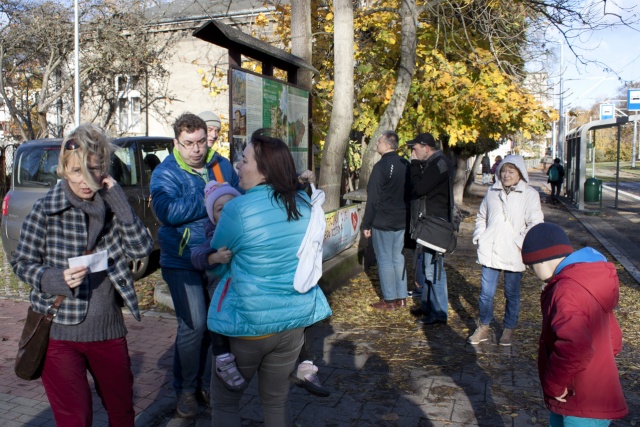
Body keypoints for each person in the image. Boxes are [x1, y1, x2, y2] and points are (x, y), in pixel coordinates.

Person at [10, 124, 154, 426]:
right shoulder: (45, 210)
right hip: (59, 333)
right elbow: (21, 262)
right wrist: (54, 279)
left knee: (122, 413)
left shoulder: (112, 207)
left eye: (93, 170)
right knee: (75, 419)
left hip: (108, 330)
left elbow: (141, 247)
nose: (85, 180)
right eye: (77, 171)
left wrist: (118, 201)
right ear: (64, 168)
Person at [207, 129, 332, 426]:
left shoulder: (237, 209)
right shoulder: (303, 205)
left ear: (263, 169)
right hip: (292, 326)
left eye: (244, 159)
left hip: (249, 326)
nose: (238, 164)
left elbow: (217, 265)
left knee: (225, 402)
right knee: (276, 400)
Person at [150, 112, 240, 418]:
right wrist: (209, 196)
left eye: (201, 141)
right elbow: (166, 212)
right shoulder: (166, 173)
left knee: (217, 326)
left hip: (219, 257)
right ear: (177, 142)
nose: (197, 149)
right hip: (182, 261)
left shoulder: (222, 165)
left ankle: (207, 385)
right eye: (189, 143)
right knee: (194, 325)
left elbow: (239, 198)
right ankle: (186, 390)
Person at [521, 222, 628, 426]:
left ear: (543, 260)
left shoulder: (565, 290)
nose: (532, 271)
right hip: (596, 394)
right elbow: (614, 340)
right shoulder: (587, 283)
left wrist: (554, 384)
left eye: (531, 266)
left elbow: (574, 347)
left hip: (577, 397)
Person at [468, 154, 544, 346]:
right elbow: (481, 216)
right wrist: (480, 236)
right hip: (491, 249)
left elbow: (536, 224)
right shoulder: (492, 192)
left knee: (512, 294)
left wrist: (519, 242)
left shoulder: (530, 195)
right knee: (486, 293)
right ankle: (483, 326)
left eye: (511, 171)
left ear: (520, 173)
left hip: (514, 252)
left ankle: (508, 328)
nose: (506, 175)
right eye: (503, 171)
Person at [362, 130, 411, 310]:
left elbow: (373, 197)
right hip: (401, 219)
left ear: (388, 144)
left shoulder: (381, 167)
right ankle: (402, 296)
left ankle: (389, 299)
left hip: (383, 220)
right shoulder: (406, 164)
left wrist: (366, 223)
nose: (376, 144)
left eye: (379, 141)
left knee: (384, 259)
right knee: (397, 257)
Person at [408, 132, 452, 326]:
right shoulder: (435, 163)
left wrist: (415, 164)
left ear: (426, 147)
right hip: (429, 222)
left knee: (434, 269)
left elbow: (420, 188)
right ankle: (428, 306)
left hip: (435, 223)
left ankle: (439, 312)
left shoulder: (438, 164)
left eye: (415, 149)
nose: (413, 153)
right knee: (427, 266)